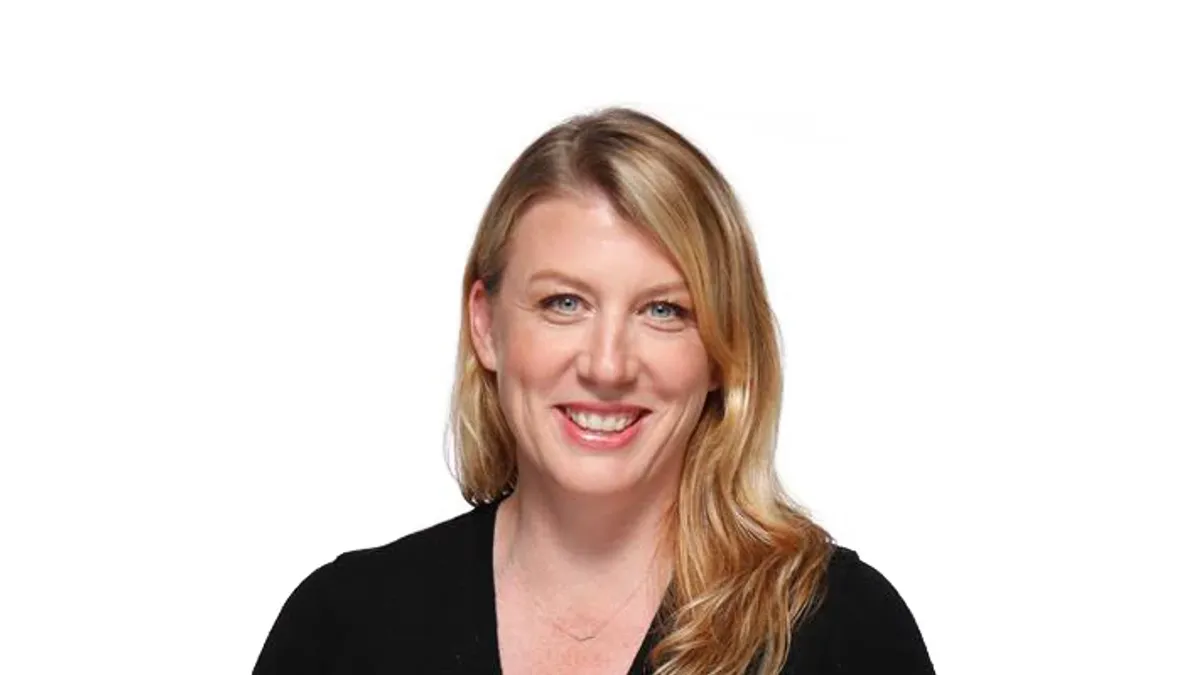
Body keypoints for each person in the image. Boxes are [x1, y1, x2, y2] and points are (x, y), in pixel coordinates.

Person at [252, 107, 935, 674]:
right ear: (486, 325)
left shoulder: (842, 632)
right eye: (564, 303)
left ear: (725, 350)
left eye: (663, 310)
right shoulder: (341, 628)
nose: (608, 365)